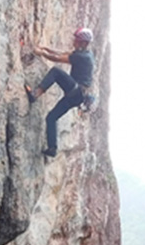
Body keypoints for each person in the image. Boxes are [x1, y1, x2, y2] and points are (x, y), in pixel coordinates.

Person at [24, 27, 95, 157]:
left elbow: (57, 58)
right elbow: (62, 52)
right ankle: (52, 148)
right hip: (76, 96)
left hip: (76, 91)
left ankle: (35, 94)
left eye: (77, 41)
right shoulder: (85, 54)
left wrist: (41, 53)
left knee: (56, 72)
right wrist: (45, 48)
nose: (74, 42)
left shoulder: (82, 57)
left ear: (84, 43)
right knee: (51, 118)